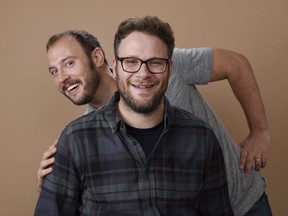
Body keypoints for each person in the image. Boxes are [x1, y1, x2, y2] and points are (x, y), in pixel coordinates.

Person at [36, 21, 272, 216]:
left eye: (69, 63)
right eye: (54, 71)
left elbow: (236, 64)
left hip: (246, 202)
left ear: (98, 57)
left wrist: (259, 130)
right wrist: (54, 183)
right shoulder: (84, 135)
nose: (62, 78)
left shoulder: (160, 61)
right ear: (118, 66)